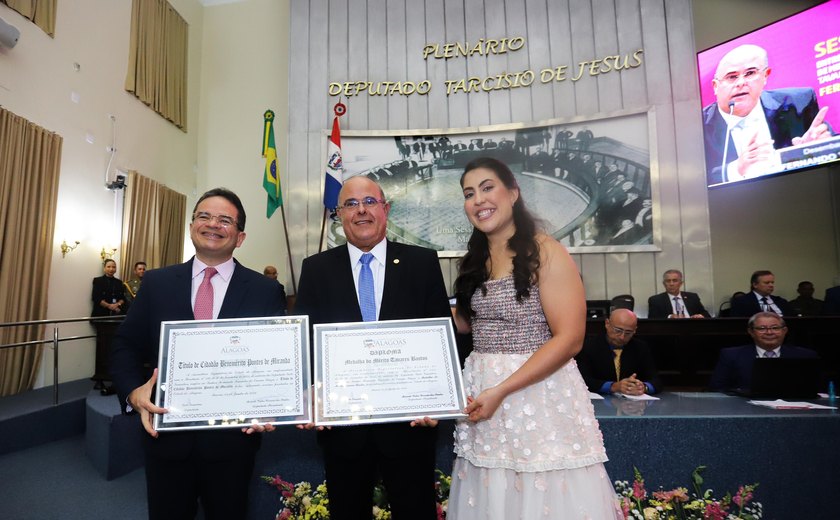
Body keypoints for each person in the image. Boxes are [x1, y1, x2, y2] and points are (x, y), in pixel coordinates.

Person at [448, 157, 620, 518]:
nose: (478, 200)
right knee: (493, 494)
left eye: (487, 187)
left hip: (536, 394)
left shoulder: (546, 251)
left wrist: (502, 389)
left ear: (513, 193)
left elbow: (570, 338)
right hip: (482, 394)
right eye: (468, 193)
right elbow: (466, 324)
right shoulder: (474, 259)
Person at [110, 188, 287, 520]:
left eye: (224, 219)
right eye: (204, 216)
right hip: (165, 438)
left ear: (240, 236)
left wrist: (272, 403)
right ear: (192, 225)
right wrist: (133, 393)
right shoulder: (157, 283)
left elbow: (276, 358)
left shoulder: (265, 291)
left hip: (233, 442)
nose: (213, 224)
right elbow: (125, 345)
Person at [294, 176, 451, 520]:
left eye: (370, 201)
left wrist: (438, 396)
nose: (361, 210)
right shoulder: (316, 269)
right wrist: (308, 394)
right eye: (350, 204)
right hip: (343, 430)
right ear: (339, 215)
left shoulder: (421, 263)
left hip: (410, 426)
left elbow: (441, 335)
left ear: (386, 210)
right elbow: (305, 344)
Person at [702, 44, 832, 185]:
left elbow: (832, 149)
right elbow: (688, 184)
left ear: (765, 76)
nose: (741, 83)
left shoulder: (798, 103)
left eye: (750, 73)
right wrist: (736, 169)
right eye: (732, 77)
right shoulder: (697, 126)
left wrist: (813, 150)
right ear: (716, 86)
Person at [709, 312, 818, 391]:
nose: (769, 332)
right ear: (751, 332)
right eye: (762, 328)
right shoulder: (731, 355)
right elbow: (718, 388)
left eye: (775, 328)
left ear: (784, 331)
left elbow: (818, 389)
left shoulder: (805, 355)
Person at [576, 309, 662, 395]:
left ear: (635, 330)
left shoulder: (640, 347)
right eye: (618, 330)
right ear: (607, 324)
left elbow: (656, 380)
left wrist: (643, 387)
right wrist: (613, 386)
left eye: (628, 333)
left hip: (632, 405)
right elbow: (583, 380)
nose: (622, 337)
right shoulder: (588, 346)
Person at [91, 258, 126, 392]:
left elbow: (123, 298)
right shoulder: (97, 281)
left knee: (115, 346)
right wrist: (110, 306)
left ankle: (113, 375)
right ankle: (100, 377)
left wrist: (117, 305)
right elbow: (96, 298)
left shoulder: (119, 282)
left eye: (114, 267)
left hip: (116, 317)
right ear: (104, 268)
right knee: (102, 347)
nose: (111, 269)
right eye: (109, 267)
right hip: (101, 318)